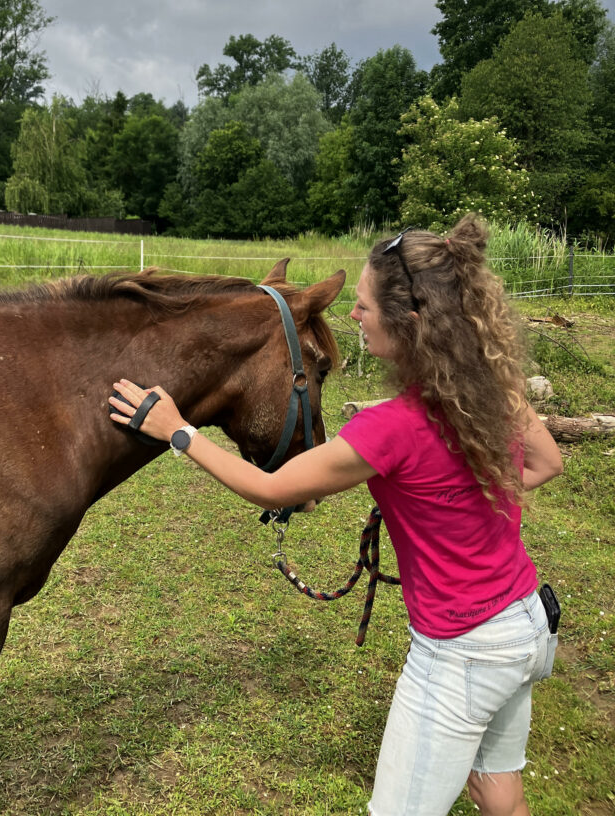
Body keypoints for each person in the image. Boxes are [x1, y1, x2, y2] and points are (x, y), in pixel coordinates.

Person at [109, 215, 563, 816]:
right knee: (497, 787)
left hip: (463, 650)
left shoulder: (389, 428)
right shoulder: (493, 385)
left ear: (413, 322)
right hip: (528, 622)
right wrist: (460, 493)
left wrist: (179, 432)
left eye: (365, 305)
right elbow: (546, 462)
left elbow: (270, 488)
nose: (352, 315)